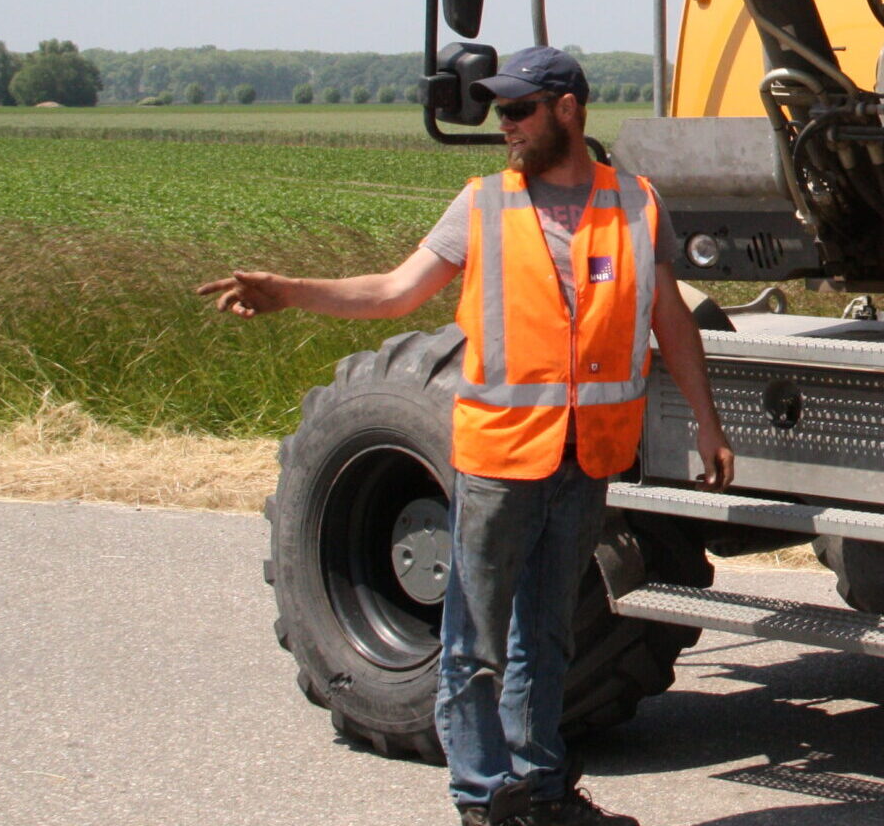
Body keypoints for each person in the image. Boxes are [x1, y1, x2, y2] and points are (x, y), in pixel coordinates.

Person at [199, 46, 734, 826]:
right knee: (473, 644)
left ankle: (543, 794)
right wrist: (290, 292)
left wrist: (708, 423)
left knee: (546, 638)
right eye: (499, 112)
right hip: (500, 462)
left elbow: (670, 321)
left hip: (586, 461)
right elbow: (391, 292)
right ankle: (484, 802)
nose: (503, 125)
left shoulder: (638, 204)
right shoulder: (481, 204)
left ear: (567, 110)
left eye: (517, 110)